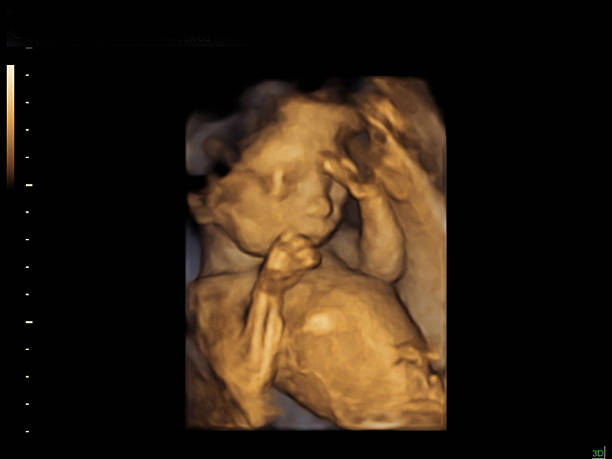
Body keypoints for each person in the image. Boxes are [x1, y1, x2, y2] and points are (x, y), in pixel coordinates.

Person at [186, 78, 446, 429]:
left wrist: (371, 202)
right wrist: (269, 290)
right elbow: (246, 381)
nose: (321, 205)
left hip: (429, 388)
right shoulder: (213, 296)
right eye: (288, 184)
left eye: (329, 180)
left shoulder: (325, 249)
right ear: (206, 205)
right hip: (383, 416)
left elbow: (383, 268)